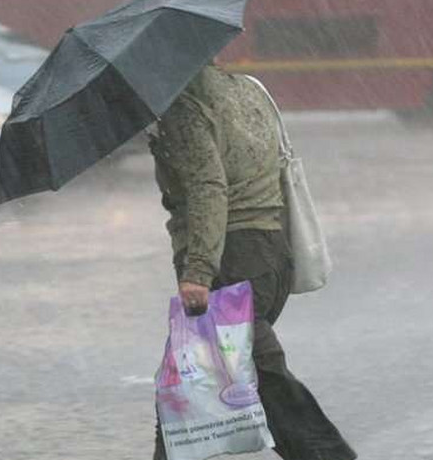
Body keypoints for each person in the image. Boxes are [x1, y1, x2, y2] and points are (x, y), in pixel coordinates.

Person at [149, 64, 357, 460]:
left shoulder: (184, 106)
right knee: (190, 380)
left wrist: (198, 272)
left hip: (229, 261)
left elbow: (209, 187)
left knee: (255, 378)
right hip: (271, 252)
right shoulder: (248, 89)